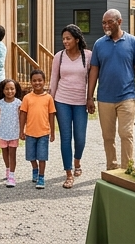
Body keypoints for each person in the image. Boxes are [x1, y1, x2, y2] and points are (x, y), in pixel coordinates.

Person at [87, 9, 135, 171]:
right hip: (105, 98)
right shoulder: (99, 44)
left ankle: (127, 170)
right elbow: (94, 71)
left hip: (127, 97)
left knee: (126, 134)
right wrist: (89, 97)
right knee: (108, 136)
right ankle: (112, 169)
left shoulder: (133, 42)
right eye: (103, 23)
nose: (106, 25)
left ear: (119, 22)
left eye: (109, 22)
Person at [51, 24, 93, 189]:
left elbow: (91, 79)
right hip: (62, 101)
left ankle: (77, 161)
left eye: (68, 38)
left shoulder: (88, 56)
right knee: (66, 138)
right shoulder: (59, 56)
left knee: (80, 138)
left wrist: (90, 98)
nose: (65, 41)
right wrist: (50, 102)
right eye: (63, 39)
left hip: (81, 102)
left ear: (77, 39)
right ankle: (68, 173)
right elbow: (54, 79)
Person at [20, 69, 56, 189]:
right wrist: (21, 130)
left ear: (44, 82)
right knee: (31, 156)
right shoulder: (27, 98)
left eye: (40, 80)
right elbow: (23, 114)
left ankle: (41, 177)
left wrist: (52, 132)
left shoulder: (48, 98)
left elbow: (51, 115)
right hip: (30, 132)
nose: (37, 83)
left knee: (42, 156)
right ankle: (34, 168)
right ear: (31, 82)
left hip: (43, 133)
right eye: (34, 81)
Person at [0, 78, 24, 188]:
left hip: (14, 133)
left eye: (12, 89)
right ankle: (7, 168)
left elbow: (21, 118)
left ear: (16, 90)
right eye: (7, 89)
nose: (9, 91)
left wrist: (22, 131)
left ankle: (11, 175)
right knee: (4, 153)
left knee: (12, 153)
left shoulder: (18, 103)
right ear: (3, 90)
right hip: (2, 133)